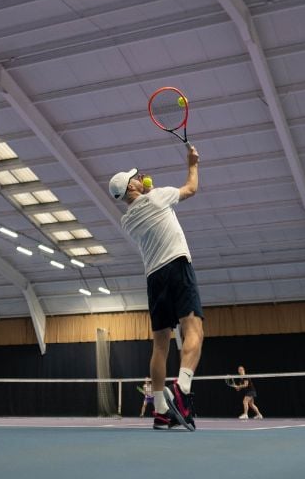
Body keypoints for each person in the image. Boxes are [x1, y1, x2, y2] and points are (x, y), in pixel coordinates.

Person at [108, 146, 203, 432]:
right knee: (194, 329)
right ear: (131, 188)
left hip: (154, 278)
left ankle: (161, 411)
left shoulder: (127, 221)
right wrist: (192, 163)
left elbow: (145, 202)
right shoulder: (158, 196)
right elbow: (191, 188)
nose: (140, 178)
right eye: (135, 178)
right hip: (177, 265)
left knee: (160, 344)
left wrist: (146, 190)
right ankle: (182, 389)